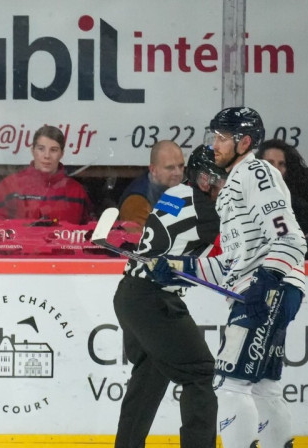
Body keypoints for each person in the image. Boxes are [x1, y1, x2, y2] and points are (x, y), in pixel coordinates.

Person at [150, 107, 306, 448]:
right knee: (264, 386)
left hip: (268, 288)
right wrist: (176, 267)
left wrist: (267, 280)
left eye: (222, 138)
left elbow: (291, 238)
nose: (215, 144)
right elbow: (227, 268)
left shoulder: (255, 171)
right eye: (214, 137)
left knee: (231, 385)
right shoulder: (234, 189)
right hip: (268, 287)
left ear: (245, 142)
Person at [114, 145, 226, 448]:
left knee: (148, 379)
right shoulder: (208, 210)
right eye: (223, 179)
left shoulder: (177, 194)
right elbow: (229, 261)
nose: (227, 186)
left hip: (130, 294)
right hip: (153, 299)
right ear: (204, 179)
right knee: (199, 371)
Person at [0, 125, 95, 224]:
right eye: (41, 149)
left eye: (54, 150)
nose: (47, 156)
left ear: (62, 154)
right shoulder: (10, 185)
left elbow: (91, 235)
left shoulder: (76, 192)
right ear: (33, 151)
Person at [257, 139, 308, 259]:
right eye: (270, 163)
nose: (276, 169)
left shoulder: (300, 206)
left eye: (281, 164)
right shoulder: (242, 198)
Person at [118, 140, 185, 227]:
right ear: (153, 170)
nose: (178, 173)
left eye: (181, 166)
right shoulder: (136, 202)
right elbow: (143, 238)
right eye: (170, 168)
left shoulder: (174, 187)